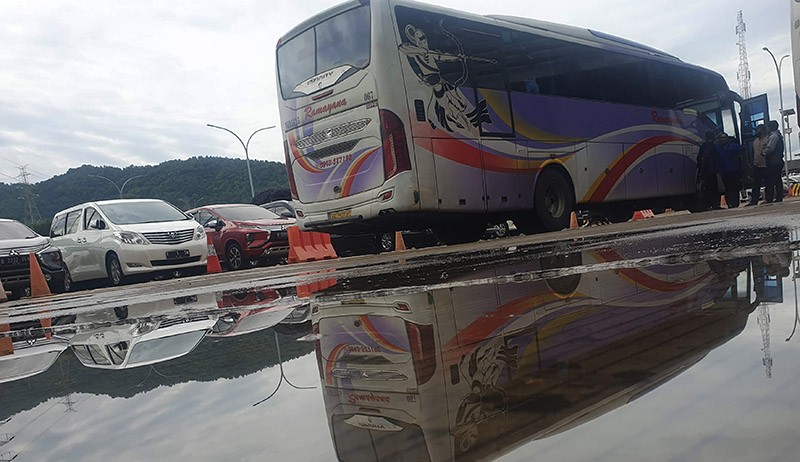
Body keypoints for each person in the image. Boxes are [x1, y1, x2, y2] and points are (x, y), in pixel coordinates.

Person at [714, 133, 743, 208]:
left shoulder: (733, 146)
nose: (723, 139)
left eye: (724, 137)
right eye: (721, 138)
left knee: (735, 187)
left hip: (734, 170)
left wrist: (738, 157)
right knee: (727, 188)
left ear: (727, 138)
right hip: (724, 171)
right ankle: (730, 203)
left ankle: (735, 203)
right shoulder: (717, 148)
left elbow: (743, 149)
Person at [696, 130, 720, 210]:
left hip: (705, 170)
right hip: (709, 170)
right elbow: (706, 157)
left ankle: (707, 205)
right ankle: (714, 205)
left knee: (706, 188)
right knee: (713, 188)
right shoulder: (710, 145)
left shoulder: (703, 145)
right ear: (713, 137)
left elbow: (700, 158)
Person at [762, 120, 785, 203]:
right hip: (778, 160)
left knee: (771, 180)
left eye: (767, 127)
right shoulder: (778, 135)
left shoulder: (773, 136)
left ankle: (770, 198)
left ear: (770, 127)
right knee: (777, 179)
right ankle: (779, 196)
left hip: (773, 161)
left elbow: (770, 148)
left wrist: (763, 152)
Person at [748, 124, 768, 205]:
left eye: (757, 130)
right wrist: (752, 163)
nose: (756, 131)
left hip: (766, 165)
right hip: (757, 165)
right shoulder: (755, 142)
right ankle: (754, 200)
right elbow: (753, 153)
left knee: (768, 183)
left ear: (762, 130)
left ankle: (768, 198)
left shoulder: (767, 139)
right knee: (756, 184)